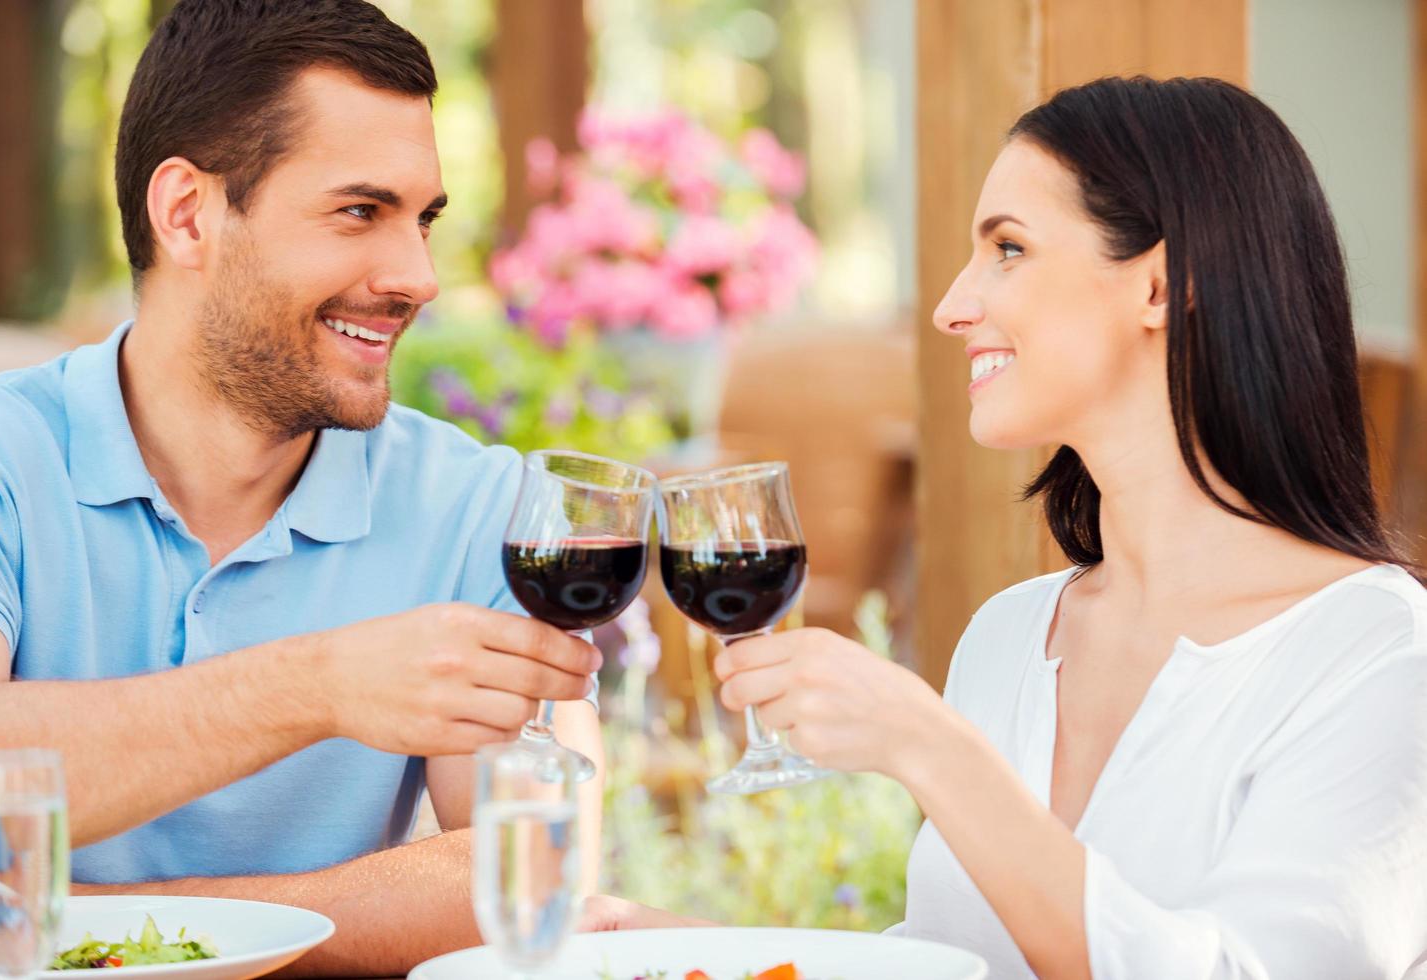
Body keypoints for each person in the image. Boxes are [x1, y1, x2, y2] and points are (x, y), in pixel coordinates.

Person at [584, 75, 1427, 978]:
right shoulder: (1014, 635)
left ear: (1160, 284)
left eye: (1009, 249)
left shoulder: (1375, 654)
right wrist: (699, 953)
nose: (951, 306)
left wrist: (930, 748)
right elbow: (961, 965)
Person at [0, 1, 604, 974]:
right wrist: (318, 685)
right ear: (187, 214)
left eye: (422, 219)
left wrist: (76, 921)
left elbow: (535, 870)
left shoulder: (480, 505)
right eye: (359, 211)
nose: (417, 276)